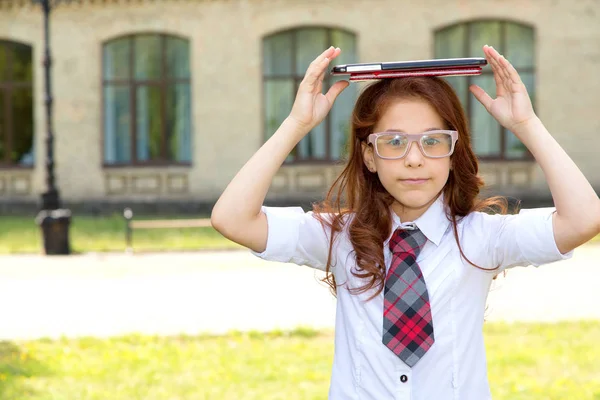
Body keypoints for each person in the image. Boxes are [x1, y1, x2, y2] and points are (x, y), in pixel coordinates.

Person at [211, 45, 600, 399]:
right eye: (393, 142)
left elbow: (584, 218)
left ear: (452, 154)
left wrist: (526, 124)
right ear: (368, 157)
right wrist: (296, 124)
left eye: (433, 141)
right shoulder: (339, 237)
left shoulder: (483, 237)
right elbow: (232, 218)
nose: (414, 159)